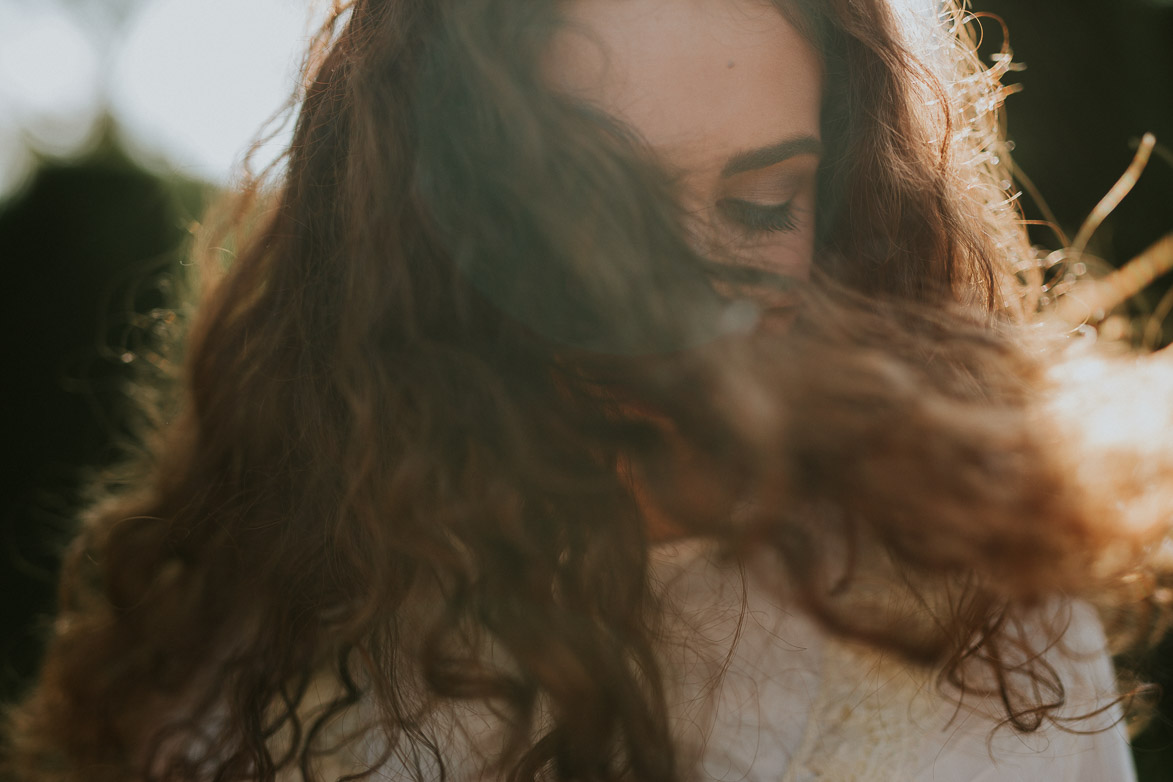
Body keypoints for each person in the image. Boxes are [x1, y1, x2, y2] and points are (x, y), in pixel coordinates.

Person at [5, 0, 1172, 779]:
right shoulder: (270, 649)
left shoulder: (980, 600)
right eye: (590, 219)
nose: (677, 301)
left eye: (763, 209)